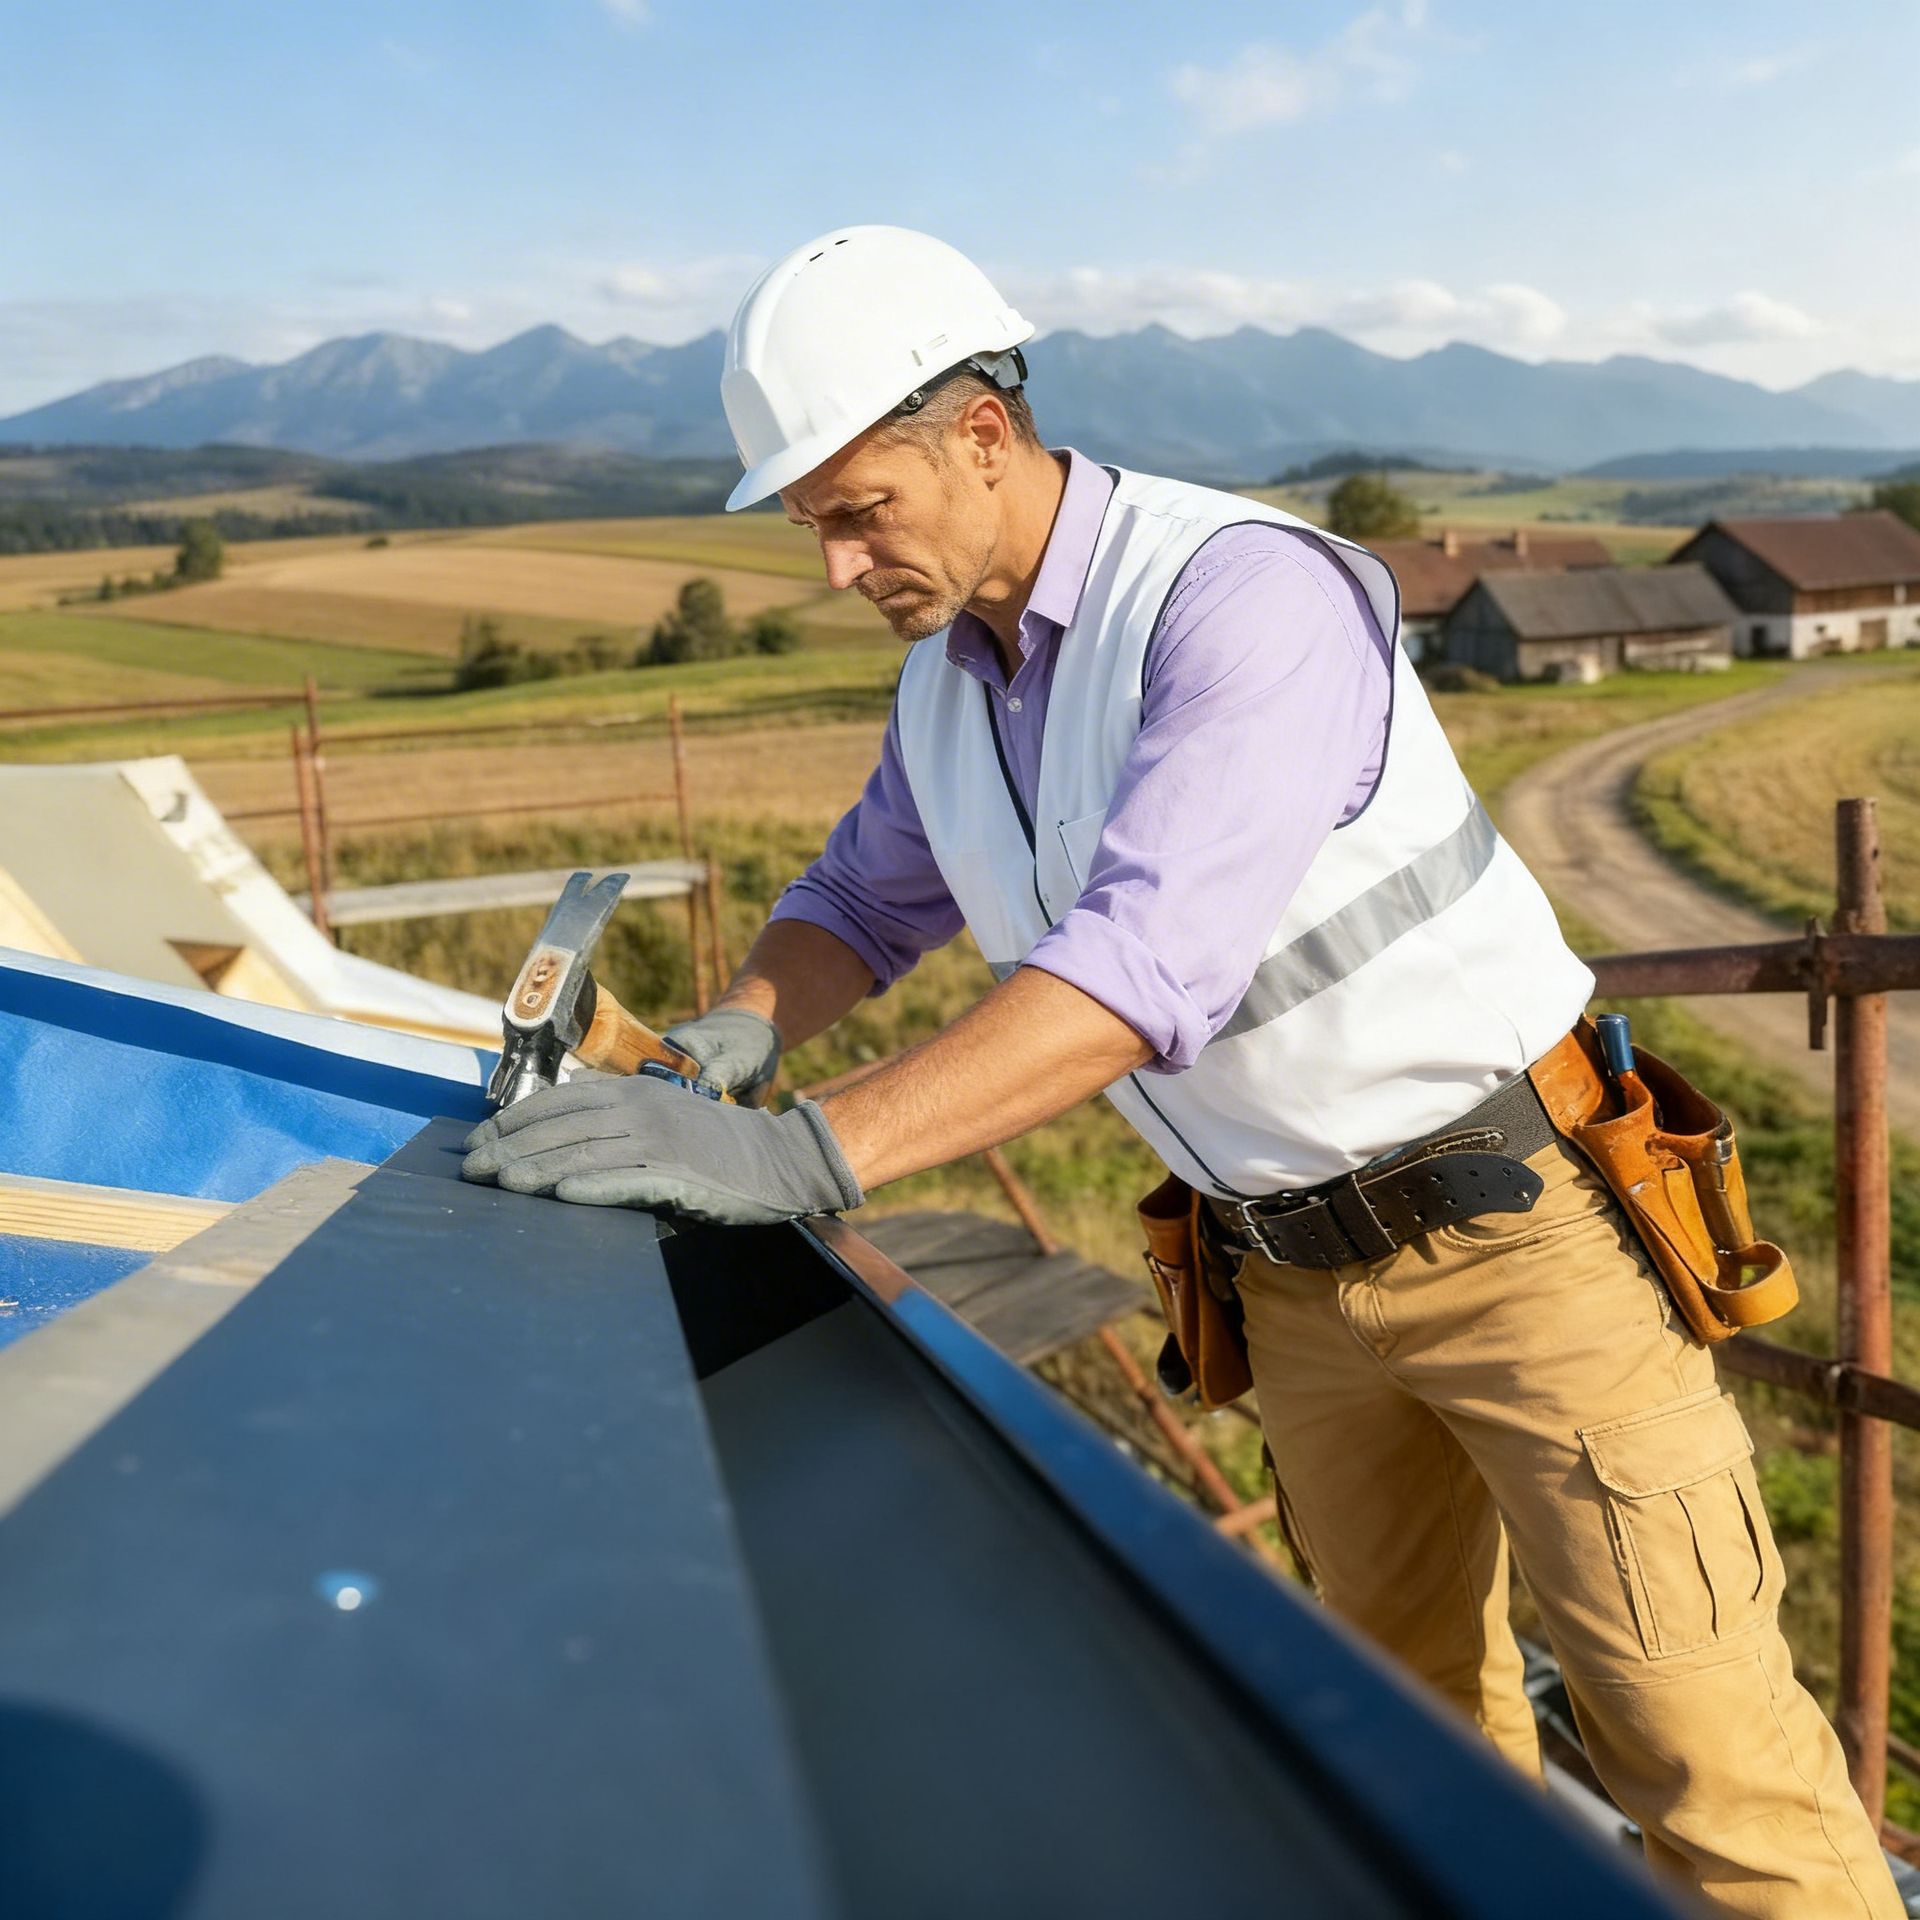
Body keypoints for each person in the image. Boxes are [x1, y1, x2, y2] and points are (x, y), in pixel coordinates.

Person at [462, 226, 1902, 1919]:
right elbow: (859, 897)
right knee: (1409, 1742)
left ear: (981, 435)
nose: (840, 568)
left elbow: (1142, 972)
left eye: (863, 513)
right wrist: (748, 1027)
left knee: (1709, 1772)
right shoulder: (953, 687)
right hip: (1288, 1280)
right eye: (813, 529)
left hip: (1527, 1242)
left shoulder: (1240, 593)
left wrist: (798, 1157)